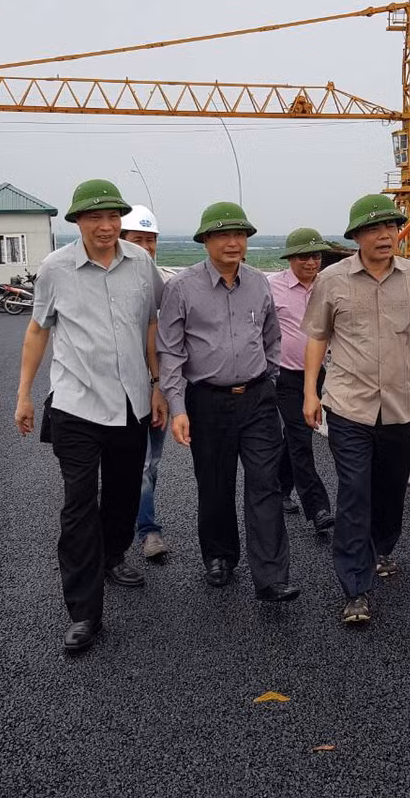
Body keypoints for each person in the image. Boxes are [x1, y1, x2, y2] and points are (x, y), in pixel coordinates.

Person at [14, 180, 167, 654]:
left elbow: (152, 323)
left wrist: (157, 384)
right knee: (78, 505)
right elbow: (38, 330)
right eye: (94, 217)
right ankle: (84, 612)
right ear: (77, 221)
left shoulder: (141, 263)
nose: (105, 226)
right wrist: (24, 395)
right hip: (76, 405)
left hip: (131, 402)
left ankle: (113, 554)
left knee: (123, 494)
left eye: (113, 217)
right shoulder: (55, 268)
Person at [301, 194, 410, 626]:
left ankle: (382, 546)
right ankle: (355, 587)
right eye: (373, 229)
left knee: (390, 490)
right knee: (354, 492)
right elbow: (317, 336)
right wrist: (310, 392)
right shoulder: (332, 280)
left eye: (390, 227)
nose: (385, 235)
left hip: (401, 405)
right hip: (348, 405)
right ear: (356, 236)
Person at [157, 202, 298, 602]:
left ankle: (271, 576)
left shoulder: (258, 283)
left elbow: (272, 336)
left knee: (265, 484)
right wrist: (178, 407)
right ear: (205, 240)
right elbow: (171, 351)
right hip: (208, 401)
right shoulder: (182, 288)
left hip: (257, 399)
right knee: (215, 484)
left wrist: (268, 377)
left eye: (239, 235)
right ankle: (219, 555)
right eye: (222, 235)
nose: (233, 242)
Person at [269, 227, 335, 534]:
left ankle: (280, 488)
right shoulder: (273, 287)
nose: (311, 262)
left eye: (316, 256)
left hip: (318, 373)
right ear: (290, 258)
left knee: (295, 436)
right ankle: (318, 507)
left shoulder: (328, 286)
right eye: (304, 257)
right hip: (285, 375)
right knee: (300, 437)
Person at [119, 203, 173, 563]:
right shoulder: (109, 282)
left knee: (150, 463)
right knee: (132, 465)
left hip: (159, 386)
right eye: (138, 239)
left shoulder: (166, 282)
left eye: (151, 239)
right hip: (119, 389)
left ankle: (141, 522)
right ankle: (141, 529)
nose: (147, 246)